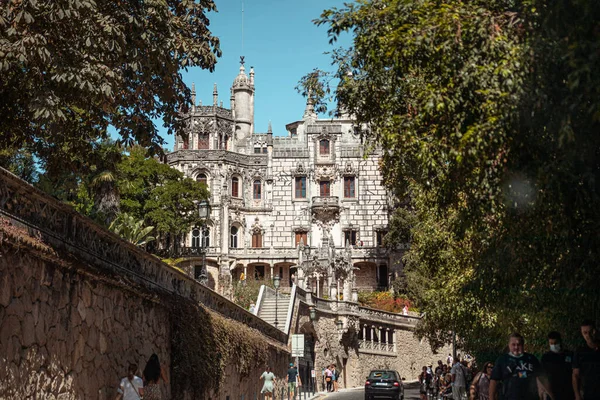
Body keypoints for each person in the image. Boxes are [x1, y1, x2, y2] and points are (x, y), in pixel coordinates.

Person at [489, 332, 553, 400]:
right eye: (513, 345)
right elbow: (494, 382)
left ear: (523, 345)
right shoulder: (502, 360)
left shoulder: (531, 359)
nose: (516, 347)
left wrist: (552, 396)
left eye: (518, 344)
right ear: (509, 345)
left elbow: (542, 378)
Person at [541, 331, 574, 400]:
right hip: (552, 394)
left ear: (560, 342)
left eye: (555, 343)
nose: (553, 345)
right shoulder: (546, 357)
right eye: (551, 343)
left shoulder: (569, 355)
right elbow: (543, 378)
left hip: (569, 393)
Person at [573, 320, 600, 400]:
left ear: (596, 331)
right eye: (585, 333)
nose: (588, 335)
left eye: (591, 332)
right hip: (589, 393)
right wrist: (577, 395)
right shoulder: (580, 352)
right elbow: (575, 375)